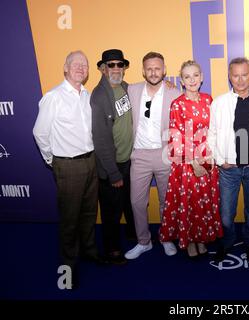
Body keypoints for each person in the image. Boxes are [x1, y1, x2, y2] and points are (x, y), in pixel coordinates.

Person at [33, 51, 104, 288]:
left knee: (88, 213)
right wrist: (53, 161)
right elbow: (40, 133)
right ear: (65, 68)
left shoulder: (86, 95)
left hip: (90, 161)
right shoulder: (53, 97)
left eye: (84, 65)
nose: (81, 68)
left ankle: (89, 251)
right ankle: (68, 268)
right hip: (67, 164)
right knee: (69, 219)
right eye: (76, 64)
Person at [207, 57, 249, 263]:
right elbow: (212, 134)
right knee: (226, 213)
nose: (240, 79)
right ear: (229, 76)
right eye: (236, 75)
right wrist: (220, 160)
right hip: (229, 168)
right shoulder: (219, 103)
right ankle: (228, 241)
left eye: (245, 74)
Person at [159, 60, 223, 258]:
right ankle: (190, 241)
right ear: (182, 81)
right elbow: (176, 137)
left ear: (202, 77)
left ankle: (202, 238)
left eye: (195, 75)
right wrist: (194, 163)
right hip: (187, 164)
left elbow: (214, 131)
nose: (192, 79)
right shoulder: (177, 104)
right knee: (191, 202)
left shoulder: (208, 100)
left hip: (208, 160)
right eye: (187, 76)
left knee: (204, 202)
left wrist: (211, 157)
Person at [125, 52, 181, 259]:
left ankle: (166, 238)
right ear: (143, 71)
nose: (153, 72)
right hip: (139, 155)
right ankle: (143, 241)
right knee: (137, 202)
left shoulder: (174, 93)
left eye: (157, 68)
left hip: (165, 154)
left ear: (164, 70)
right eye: (149, 68)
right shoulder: (131, 89)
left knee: (167, 200)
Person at [90, 49, 136, 265]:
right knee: (111, 210)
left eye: (120, 64)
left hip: (128, 161)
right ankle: (112, 250)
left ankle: (132, 235)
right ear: (102, 68)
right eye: (111, 65)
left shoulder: (127, 88)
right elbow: (100, 140)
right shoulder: (99, 96)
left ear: (125, 68)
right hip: (112, 166)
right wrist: (113, 172)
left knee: (128, 202)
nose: (116, 68)